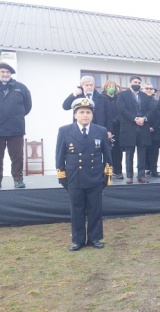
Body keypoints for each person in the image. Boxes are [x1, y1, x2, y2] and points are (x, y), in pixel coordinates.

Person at [55, 98, 113, 251]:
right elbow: (60, 156)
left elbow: (107, 156)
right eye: (81, 112)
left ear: (92, 115)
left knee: (95, 209)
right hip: (75, 177)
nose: (85, 115)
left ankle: (94, 238)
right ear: (75, 115)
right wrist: (62, 176)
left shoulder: (100, 130)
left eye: (88, 112)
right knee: (77, 210)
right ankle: (78, 240)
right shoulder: (64, 131)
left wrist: (106, 177)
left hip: (95, 177)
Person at [116, 76, 156, 184]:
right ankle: (129, 176)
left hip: (143, 127)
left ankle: (141, 176)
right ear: (130, 83)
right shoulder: (122, 95)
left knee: (142, 153)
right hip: (129, 127)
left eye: (138, 82)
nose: (136, 84)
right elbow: (121, 109)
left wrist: (144, 118)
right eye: (135, 82)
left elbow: (151, 110)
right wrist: (134, 119)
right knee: (129, 153)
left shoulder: (145, 96)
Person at [0, 62, 32, 189]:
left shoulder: (21, 88)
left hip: (16, 129)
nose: (5, 74)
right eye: (2, 72)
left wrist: (16, 116)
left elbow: (28, 106)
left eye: (7, 72)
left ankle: (18, 179)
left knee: (17, 156)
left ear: (11, 74)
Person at [102, 80, 124, 179]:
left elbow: (122, 111)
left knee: (118, 151)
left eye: (113, 86)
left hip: (118, 127)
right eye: (109, 86)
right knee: (107, 151)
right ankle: (108, 172)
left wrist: (115, 120)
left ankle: (118, 171)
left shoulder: (119, 98)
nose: (111, 88)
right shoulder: (102, 98)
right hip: (105, 128)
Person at [143, 83, 160, 178]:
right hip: (142, 130)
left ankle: (154, 170)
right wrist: (146, 127)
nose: (149, 90)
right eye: (147, 88)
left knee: (154, 152)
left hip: (155, 131)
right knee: (143, 152)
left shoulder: (157, 102)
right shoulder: (139, 102)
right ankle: (143, 170)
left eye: (151, 88)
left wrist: (153, 127)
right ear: (143, 90)